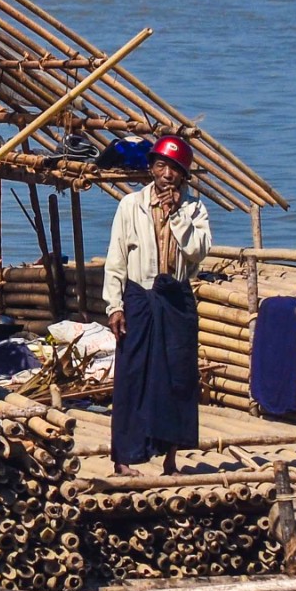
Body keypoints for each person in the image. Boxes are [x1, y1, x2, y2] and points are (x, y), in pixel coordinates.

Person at [104, 134, 212, 475]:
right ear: (151, 168)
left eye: (175, 169)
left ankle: (171, 459)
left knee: (178, 377)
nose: (167, 174)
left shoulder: (195, 209)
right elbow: (116, 260)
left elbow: (198, 251)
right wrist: (114, 306)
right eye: (161, 166)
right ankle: (124, 459)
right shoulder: (130, 206)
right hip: (139, 296)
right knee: (132, 375)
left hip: (176, 298)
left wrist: (175, 214)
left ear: (183, 175)